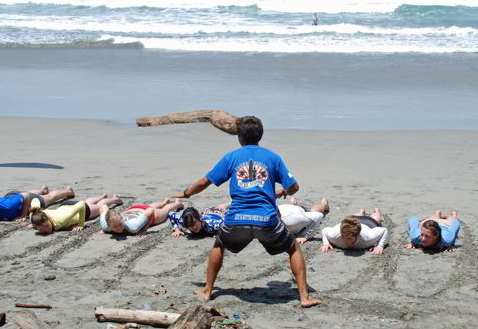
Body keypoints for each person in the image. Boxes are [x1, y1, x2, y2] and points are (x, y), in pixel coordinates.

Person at [171, 116, 321, 308]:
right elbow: (294, 187)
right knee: (293, 248)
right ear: (261, 135)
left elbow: (204, 182)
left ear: (239, 137)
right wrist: (284, 191)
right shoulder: (273, 157)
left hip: (237, 219)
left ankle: (207, 290)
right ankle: (304, 297)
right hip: (266, 220)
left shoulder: (232, 157)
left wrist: (185, 193)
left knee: (219, 244)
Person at [0, 185, 74, 222]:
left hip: (21, 200)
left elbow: (26, 196)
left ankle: (69, 192)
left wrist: (24, 214)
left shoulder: (8, 206)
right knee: (28, 194)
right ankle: (42, 190)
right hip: (12, 196)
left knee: (48, 199)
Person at [30, 194, 121, 235]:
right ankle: (101, 196)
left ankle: (114, 199)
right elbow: (35, 200)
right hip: (67, 206)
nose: (46, 230)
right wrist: (33, 223)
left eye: (46, 226)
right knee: (88, 202)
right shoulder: (35, 215)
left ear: (48, 219)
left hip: (81, 211)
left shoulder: (61, 219)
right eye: (41, 229)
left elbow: (81, 204)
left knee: (99, 206)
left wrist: (81, 224)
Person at [320, 208, 387, 254]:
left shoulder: (368, 237)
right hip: (351, 221)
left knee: (375, 218)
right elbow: (324, 230)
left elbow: (384, 230)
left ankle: (377, 211)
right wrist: (326, 243)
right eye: (343, 236)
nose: (345, 240)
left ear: (357, 236)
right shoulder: (334, 235)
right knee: (354, 217)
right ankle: (361, 212)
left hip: (367, 224)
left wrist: (380, 246)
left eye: (349, 238)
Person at [101, 198, 183, 236]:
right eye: (115, 227)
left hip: (147, 213)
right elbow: (102, 207)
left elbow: (151, 211)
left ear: (122, 219)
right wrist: (104, 230)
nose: (119, 228)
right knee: (150, 206)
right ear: (109, 225)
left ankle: (178, 203)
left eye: (120, 224)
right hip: (136, 210)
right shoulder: (105, 226)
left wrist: (144, 230)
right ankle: (163, 202)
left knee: (166, 210)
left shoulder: (133, 226)